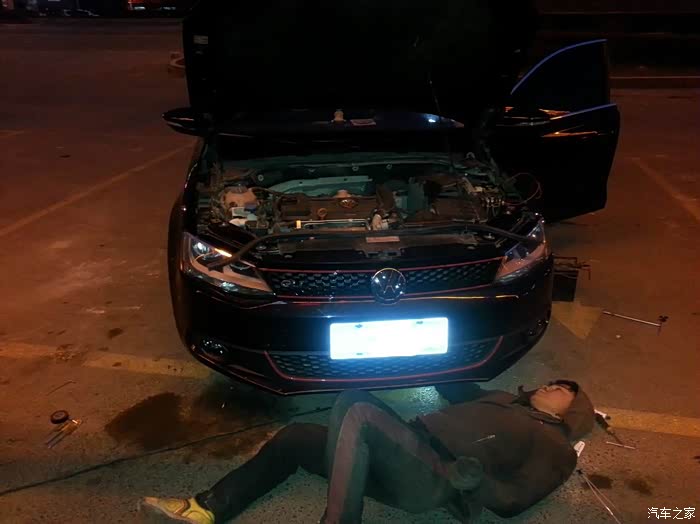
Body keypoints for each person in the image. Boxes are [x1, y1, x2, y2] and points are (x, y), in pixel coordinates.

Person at [140, 379, 594, 523]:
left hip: (435, 476)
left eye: (563, 391)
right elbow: (455, 384)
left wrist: (476, 483)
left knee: (357, 406)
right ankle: (207, 509)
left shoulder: (554, 445)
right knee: (296, 438)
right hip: (392, 455)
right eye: (552, 382)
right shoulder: (500, 398)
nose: (551, 386)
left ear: (570, 412)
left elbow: (517, 501)